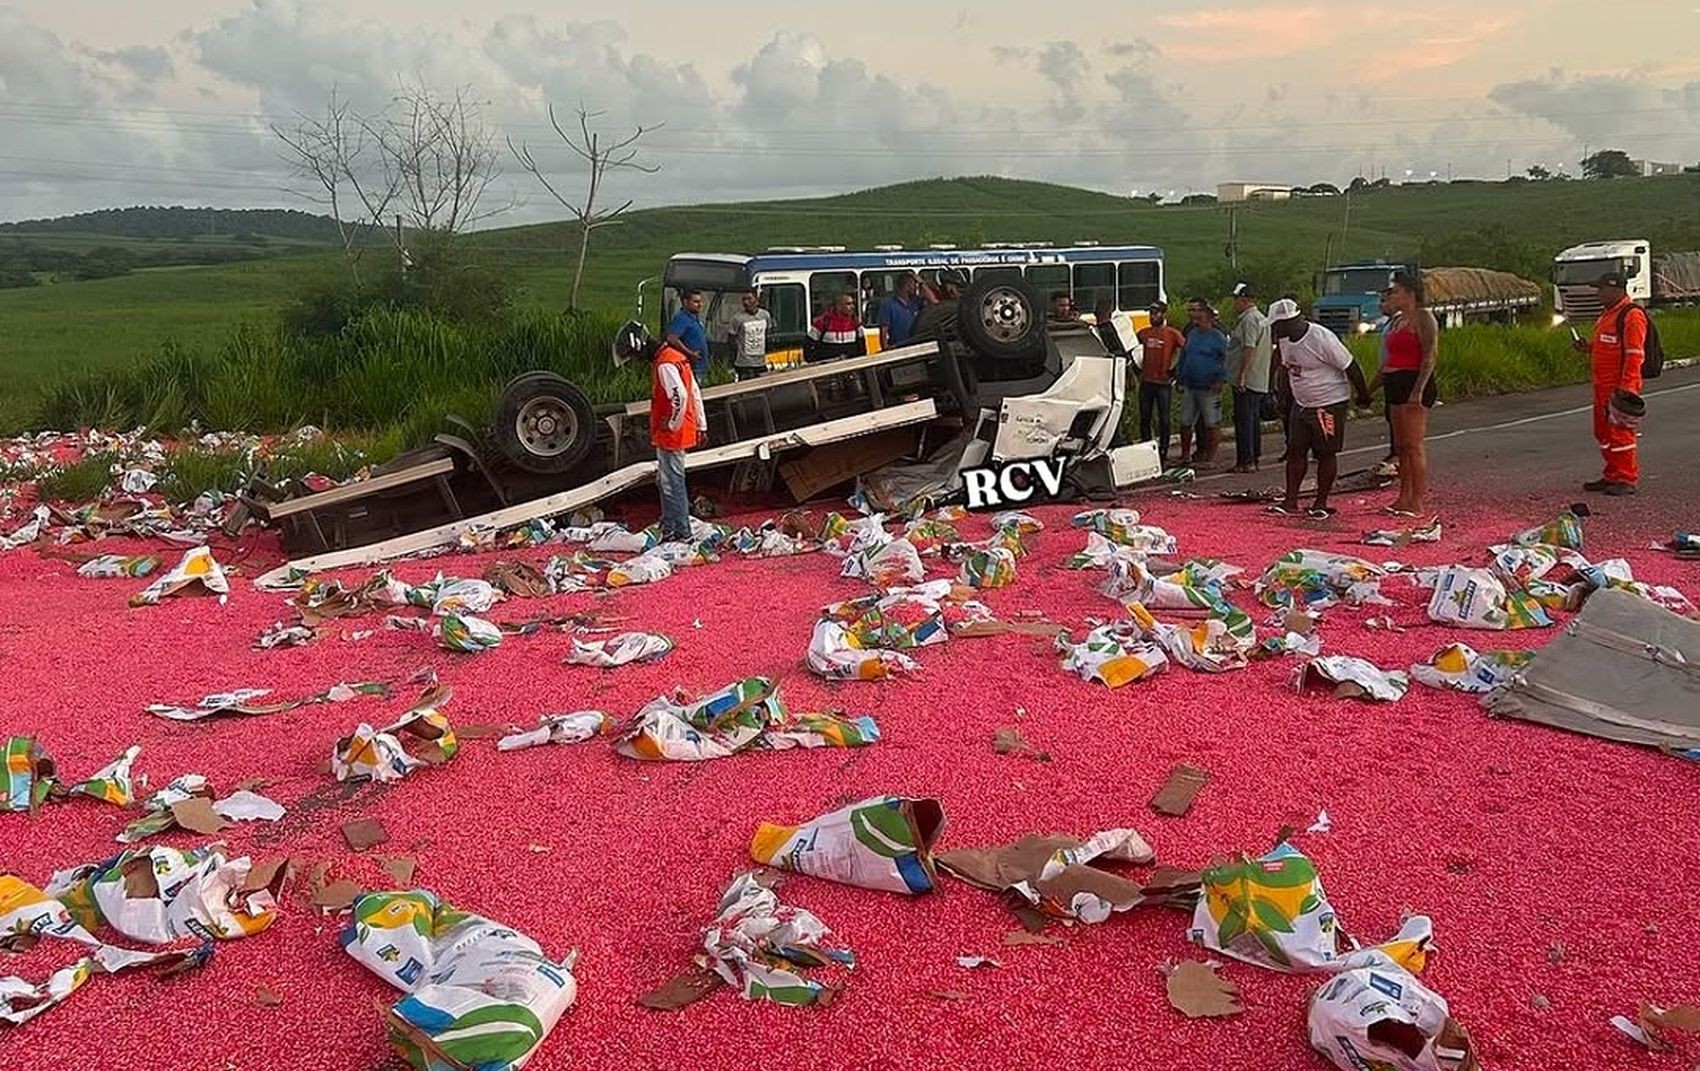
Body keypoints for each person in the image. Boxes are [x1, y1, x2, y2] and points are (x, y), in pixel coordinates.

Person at [1266, 299, 1373, 518]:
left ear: (1292, 321)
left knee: (1325, 452)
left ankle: (1320, 503)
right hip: (1302, 403)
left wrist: (1363, 395)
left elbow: (1350, 365)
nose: (1275, 329)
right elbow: (1286, 368)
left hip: (1328, 403)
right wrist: (1282, 396)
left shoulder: (1321, 338)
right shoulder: (1285, 340)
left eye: (1278, 324)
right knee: (1296, 450)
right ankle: (1290, 501)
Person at [614, 320, 706, 543]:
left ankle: (681, 531)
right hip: (681, 428)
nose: (637, 362)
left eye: (635, 357)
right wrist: (701, 424)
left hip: (672, 433)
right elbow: (694, 391)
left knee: (672, 482)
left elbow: (680, 396)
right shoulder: (675, 356)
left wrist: (671, 423)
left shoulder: (665, 363)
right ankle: (670, 525)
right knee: (666, 480)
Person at [1574, 271, 1646, 495]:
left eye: (1601, 289)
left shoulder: (1631, 315)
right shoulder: (1607, 315)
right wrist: (1588, 347)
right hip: (1602, 385)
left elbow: (1635, 354)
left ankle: (1627, 478)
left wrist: (1628, 388)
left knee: (1620, 433)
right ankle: (1612, 474)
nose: (1598, 293)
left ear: (1616, 289)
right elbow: (1608, 344)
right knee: (1603, 432)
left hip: (1619, 387)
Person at [1378, 272, 1439, 515]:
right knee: (1401, 445)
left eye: (1397, 292)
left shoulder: (1424, 318)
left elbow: (1429, 354)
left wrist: (1418, 389)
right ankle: (1403, 496)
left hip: (1413, 380)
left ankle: (1417, 499)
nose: (1393, 296)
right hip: (1394, 381)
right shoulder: (1398, 320)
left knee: (1413, 444)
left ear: (1410, 294)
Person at [1175, 297, 1228, 464]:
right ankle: (1185, 455)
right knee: (1185, 421)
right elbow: (1185, 355)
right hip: (1191, 385)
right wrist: (1180, 376)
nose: (1195, 316)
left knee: (1211, 422)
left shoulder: (1218, 337)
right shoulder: (1192, 334)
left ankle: (1210, 458)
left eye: (1199, 313)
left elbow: (1227, 359)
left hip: (1209, 387)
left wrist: (1220, 379)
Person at [1226, 282, 1272, 472]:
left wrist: (1242, 376)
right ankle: (1252, 457)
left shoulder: (1249, 320)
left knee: (1245, 420)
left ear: (1244, 299)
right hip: (1258, 377)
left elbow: (1249, 348)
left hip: (1249, 379)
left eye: (1236, 299)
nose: (1234, 303)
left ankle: (1246, 460)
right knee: (1251, 419)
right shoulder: (1260, 318)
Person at [1135, 301, 1185, 463]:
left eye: (1156, 313)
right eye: (1151, 313)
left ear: (1164, 314)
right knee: (1145, 416)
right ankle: (1146, 447)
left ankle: (1163, 451)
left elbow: (1185, 349)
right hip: (1146, 381)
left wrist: (1175, 369)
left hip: (1163, 382)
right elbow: (1133, 350)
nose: (1152, 316)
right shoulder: (1144, 333)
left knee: (1164, 417)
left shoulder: (1172, 333)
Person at [1368, 288, 1401, 478]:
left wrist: (1370, 388)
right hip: (1389, 376)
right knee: (1391, 417)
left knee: (1397, 419)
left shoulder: (1399, 324)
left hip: (1395, 377)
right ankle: (1394, 451)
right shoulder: (1389, 324)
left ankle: (1398, 456)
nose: (1380, 305)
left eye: (1384, 301)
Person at [805, 292, 866, 363]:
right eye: (848, 304)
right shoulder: (823, 322)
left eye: (852, 303)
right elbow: (808, 346)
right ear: (838, 306)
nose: (852, 306)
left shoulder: (855, 323)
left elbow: (862, 347)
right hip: (829, 368)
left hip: (850, 367)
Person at [726, 288, 773, 382]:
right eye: (744, 299)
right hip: (744, 364)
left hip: (760, 362)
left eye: (749, 299)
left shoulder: (765, 315)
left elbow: (768, 333)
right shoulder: (737, 318)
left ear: (756, 299)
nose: (746, 302)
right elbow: (731, 340)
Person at [666, 289, 710, 382]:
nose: (700, 305)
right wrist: (690, 353)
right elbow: (672, 339)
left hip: (701, 366)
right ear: (685, 302)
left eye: (700, 301)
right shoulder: (682, 318)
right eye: (696, 302)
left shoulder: (694, 318)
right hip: (691, 367)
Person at [877, 273, 924, 349]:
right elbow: (884, 330)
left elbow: (933, 301)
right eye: (913, 285)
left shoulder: (916, 303)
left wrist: (922, 283)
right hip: (898, 347)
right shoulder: (889, 304)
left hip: (916, 346)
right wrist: (885, 348)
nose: (915, 288)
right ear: (906, 287)